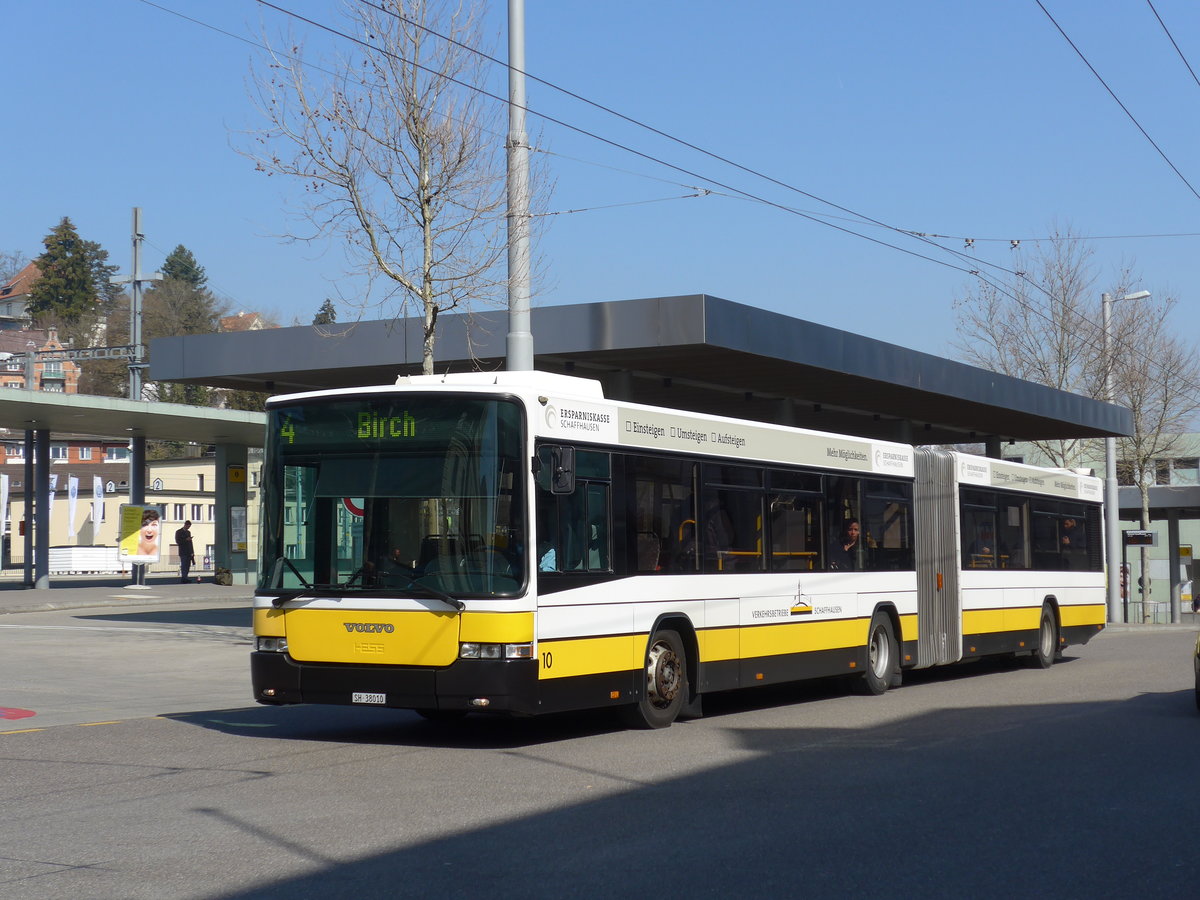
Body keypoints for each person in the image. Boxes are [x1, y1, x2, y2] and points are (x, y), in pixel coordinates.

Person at [175, 519, 196, 584]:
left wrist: (192, 552)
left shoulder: (188, 532)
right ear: (185, 525)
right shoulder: (179, 532)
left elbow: (190, 543)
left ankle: (186, 577)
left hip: (189, 552)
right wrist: (186, 539)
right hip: (183, 551)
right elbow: (178, 541)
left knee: (188, 565)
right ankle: (183, 578)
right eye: (188, 526)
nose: (188, 528)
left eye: (189, 527)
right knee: (184, 565)